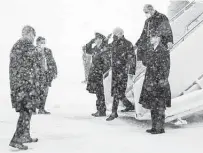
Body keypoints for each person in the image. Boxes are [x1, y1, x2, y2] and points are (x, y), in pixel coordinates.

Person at [9, 25, 38, 150]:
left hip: (24, 84)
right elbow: (33, 57)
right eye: (32, 35)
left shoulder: (20, 45)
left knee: (28, 110)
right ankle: (16, 139)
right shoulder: (23, 45)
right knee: (25, 112)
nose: (33, 38)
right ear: (26, 34)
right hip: (23, 85)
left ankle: (25, 135)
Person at [139, 32, 171, 134]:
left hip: (159, 82)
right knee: (153, 105)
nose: (150, 39)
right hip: (150, 81)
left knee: (160, 106)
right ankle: (155, 127)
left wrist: (162, 80)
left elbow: (166, 67)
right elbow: (145, 62)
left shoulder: (163, 50)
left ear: (158, 38)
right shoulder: (151, 49)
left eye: (152, 37)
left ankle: (159, 128)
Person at [106, 27, 136, 121]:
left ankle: (114, 112)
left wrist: (131, 71)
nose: (114, 36)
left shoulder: (128, 44)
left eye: (115, 34)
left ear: (120, 34)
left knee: (117, 92)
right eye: (113, 34)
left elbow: (132, 58)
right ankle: (129, 106)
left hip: (123, 71)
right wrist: (107, 40)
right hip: (115, 70)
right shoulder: (114, 43)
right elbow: (106, 48)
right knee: (120, 93)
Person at [86, 33, 111, 117]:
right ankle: (99, 110)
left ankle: (101, 111)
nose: (97, 41)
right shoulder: (95, 49)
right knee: (98, 93)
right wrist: (91, 41)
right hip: (94, 73)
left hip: (99, 74)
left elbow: (106, 63)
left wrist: (102, 72)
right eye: (95, 39)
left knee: (100, 93)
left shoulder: (104, 49)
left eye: (98, 39)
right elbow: (87, 49)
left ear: (101, 40)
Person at [35, 36, 57, 114]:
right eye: (41, 42)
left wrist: (54, 71)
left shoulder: (48, 51)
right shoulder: (33, 51)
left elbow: (52, 61)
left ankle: (41, 108)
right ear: (37, 43)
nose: (43, 44)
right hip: (36, 75)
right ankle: (33, 109)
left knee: (45, 91)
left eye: (44, 43)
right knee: (36, 91)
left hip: (46, 74)